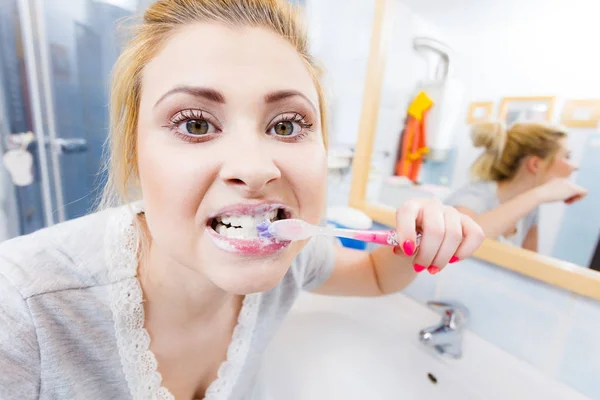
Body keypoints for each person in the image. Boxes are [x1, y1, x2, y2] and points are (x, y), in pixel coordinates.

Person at [0, 1, 484, 399]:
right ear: (133, 154)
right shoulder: (19, 308)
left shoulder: (293, 258)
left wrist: (418, 241)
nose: (254, 168)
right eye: (195, 124)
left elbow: (378, 277)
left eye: (287, 125)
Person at [445, 121, 587, 251]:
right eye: (567, 156)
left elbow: (530, 264)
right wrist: (540, 194)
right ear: (535, 164)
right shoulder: (473, 197)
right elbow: (460, 245)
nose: (575, 166)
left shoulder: (530, 209)